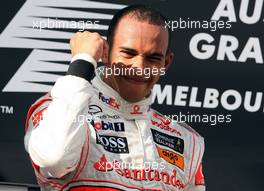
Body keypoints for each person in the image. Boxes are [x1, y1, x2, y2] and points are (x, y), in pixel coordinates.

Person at [24, 4, 205, 191]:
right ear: (105, 52)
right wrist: (82, 63)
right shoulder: (59, 111)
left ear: (166, 64)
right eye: (128, 53)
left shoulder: (185, 140)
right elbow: (53, 158)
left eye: (153, 58)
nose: (139, 67)